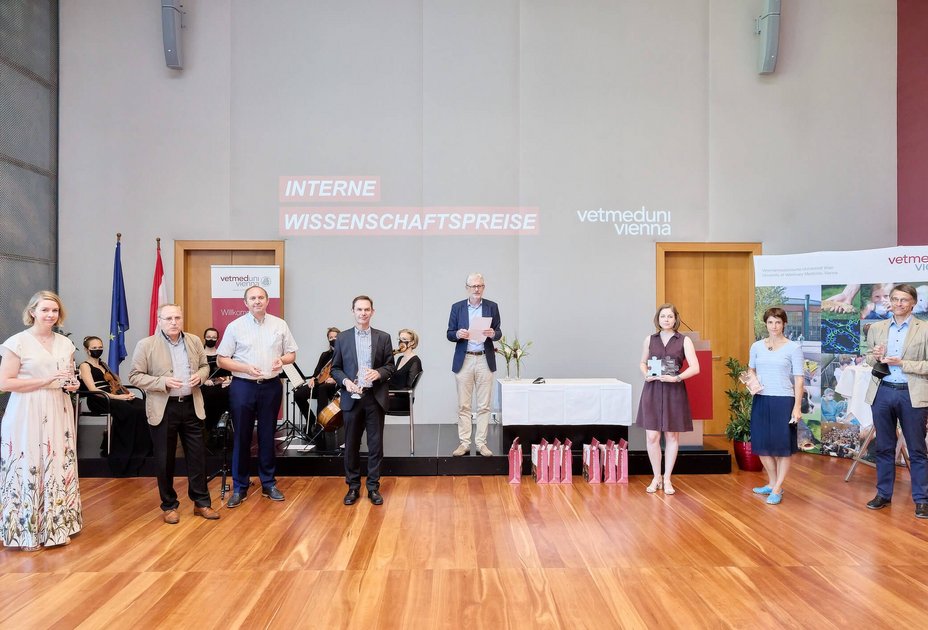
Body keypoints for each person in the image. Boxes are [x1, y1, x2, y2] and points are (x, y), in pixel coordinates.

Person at [0, 291, 82, 550]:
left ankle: (57, 527)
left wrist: (73, 384)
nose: (50, 315)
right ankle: (26, 532)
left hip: (58, 407)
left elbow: (67, 376)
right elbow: (4, 382)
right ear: (32, 311)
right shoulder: (17, 342)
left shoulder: (65, 344)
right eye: (45, 310)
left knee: (57, 462)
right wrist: (45, 381)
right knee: (29, 463)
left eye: (54, 311)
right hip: (27, 409)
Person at [128, 304, 220, 524]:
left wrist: (200, 374)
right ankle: (169, 505)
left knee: (198, 457)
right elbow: (134, 376)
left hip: (192, 405)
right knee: (164, 459)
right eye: (168, 318)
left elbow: (204, 366)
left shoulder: (194, 341)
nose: (173, 322)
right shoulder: (146, 345)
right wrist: (162, 382)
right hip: (164, 408)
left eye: (177, 317)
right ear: (159, 320)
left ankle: (202, 503)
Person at [217, 285, 298, 508]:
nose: (257, 301)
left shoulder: (279, 324)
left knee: (267, 436)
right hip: (243, 386)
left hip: (271, 386)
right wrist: (243, 368)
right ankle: (240, 487)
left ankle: (268, 483)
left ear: (267, 300)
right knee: (242, 436)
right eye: (252, 298)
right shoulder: (235, 326)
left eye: (260, 297)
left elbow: (291, 353)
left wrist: (282, 360)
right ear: (245, 303)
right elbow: (221, 360)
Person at [863, 283, 928, 519]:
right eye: (895, 299)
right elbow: (870, 360)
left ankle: (922, 500)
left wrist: (903, 364)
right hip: (882, 392)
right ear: (889, 302)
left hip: (912, 393)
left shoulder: (925, 329)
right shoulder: (877, 328)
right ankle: (883, 494)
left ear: (913, 303)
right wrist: (876, 357)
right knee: (884, 447)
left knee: (917, 449)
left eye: (904, 300)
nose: (899, 304)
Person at [331, 296, 395, 506]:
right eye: (359, 309)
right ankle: (353, 487)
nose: (363, 313)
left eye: (367, 309)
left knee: (376, 445)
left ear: (372, 312)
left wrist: (378, 373)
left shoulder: (383, 337)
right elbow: (335, 368)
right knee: (351, 445)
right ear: (353, 311)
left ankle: (373, 488)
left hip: (374, 398)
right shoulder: (342, 338)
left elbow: (390, 367)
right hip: (352, 398)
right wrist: (347, 382)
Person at [634, 303, 700, 495]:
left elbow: (695, 367)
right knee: (652, 436)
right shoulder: (650, 339)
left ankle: (668, 478)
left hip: (674, 390)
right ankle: (656, 477)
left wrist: (677, 377)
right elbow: (642, 362)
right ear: (658, 319)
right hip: (653, 389)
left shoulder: (684, 340)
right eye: (663, 316)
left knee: (671, 436)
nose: (666, 320)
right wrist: (646, 373)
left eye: (670, 316)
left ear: (675, 319)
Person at [747, 307, 804, 506]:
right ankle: (771, 483)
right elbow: (751, 369)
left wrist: (797, 407)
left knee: (782, 448)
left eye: (778, 322)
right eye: (771, 322)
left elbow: (799, 379)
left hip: (783, 400)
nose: (774, 326)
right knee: (762, 446)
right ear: (766, 324)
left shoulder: (793, 348)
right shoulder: (756, 346)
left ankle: (779, 487)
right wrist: (752, 381)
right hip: (761, 399)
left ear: (784, 324)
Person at [78, 335, 152, 475]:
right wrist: (119, 397)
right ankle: (123, 449)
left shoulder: (103, 364)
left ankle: (142, 447)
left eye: (100, 347)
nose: (98, 350)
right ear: (87, 350)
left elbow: (116, 382)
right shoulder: (84, 366)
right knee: (128, 411)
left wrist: (125, 394)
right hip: (99, 399)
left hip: (114, 395)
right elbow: (93, 389)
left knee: (142, 406)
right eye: (94, 348)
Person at [446, 272, 502, 457]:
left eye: (480, 286)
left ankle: (481, 443)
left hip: (485, 358)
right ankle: (464, 443)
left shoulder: (492, 307)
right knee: (464, 405)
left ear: (484, 287)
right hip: (465, 359)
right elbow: (449, 333)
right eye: (473, 286)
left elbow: (499, 332)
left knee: (484, 405)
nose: (477, 289)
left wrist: (493, 333)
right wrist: (457, 334)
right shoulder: (457, 307)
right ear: (467, 288)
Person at [293, 327, 340, 423]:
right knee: (298, 394)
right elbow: (317, 371)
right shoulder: (325, 355)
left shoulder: (344, 354)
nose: (333, 339)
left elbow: (348, 373)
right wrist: (312, 379)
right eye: (331, 338)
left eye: (336, 337)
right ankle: (311, 420)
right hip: (321, 383)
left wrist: (335, 380)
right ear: (328, 340)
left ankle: (320, 426)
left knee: (322, 388)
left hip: (335, 386)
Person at [200, 327, 231, 438]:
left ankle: (222, 422)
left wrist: (227, 380)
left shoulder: (221, 355)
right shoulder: (199, 354)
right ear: (204, 337)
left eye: (214, 337)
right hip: (204, 385)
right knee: (209, 394)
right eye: (208, 337)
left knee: (228, 392)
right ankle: (210, 427)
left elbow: (227, 372)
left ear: (217, 339)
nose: (211, 339)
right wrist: (205, 380)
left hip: (219, 384)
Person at [388, 328, 423, 408]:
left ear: (412, 343)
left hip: (402, 399)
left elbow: (409, 388)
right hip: (391, 394)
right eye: (399, 339)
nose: (400, 342)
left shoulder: (415, 361)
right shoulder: (400, 358)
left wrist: (390, 393)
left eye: (404, 339)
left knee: (372, 401)